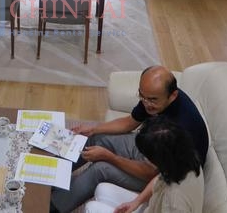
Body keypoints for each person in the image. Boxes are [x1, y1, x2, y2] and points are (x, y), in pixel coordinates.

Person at [50, 65, 208, 213]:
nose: (146, 103)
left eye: (152, 99)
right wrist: (94, 129)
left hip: (157, 168)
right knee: (97, 138)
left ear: (172, 96)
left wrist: (110, 157)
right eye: (142, 96)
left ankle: (53, 206)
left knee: (100, 168)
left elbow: (154, 174)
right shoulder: (154, 98)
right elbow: (131, 122)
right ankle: (51, 175)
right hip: (154, 149)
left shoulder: (182, 130)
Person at [85, 116, 204, 213]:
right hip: (153, 206)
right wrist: (136, 202)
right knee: (102, 189)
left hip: (160, 206)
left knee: (91, 208)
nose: (145, 160)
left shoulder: (175, 202)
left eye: (147, 157)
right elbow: (158, 181)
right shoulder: (186, 158)